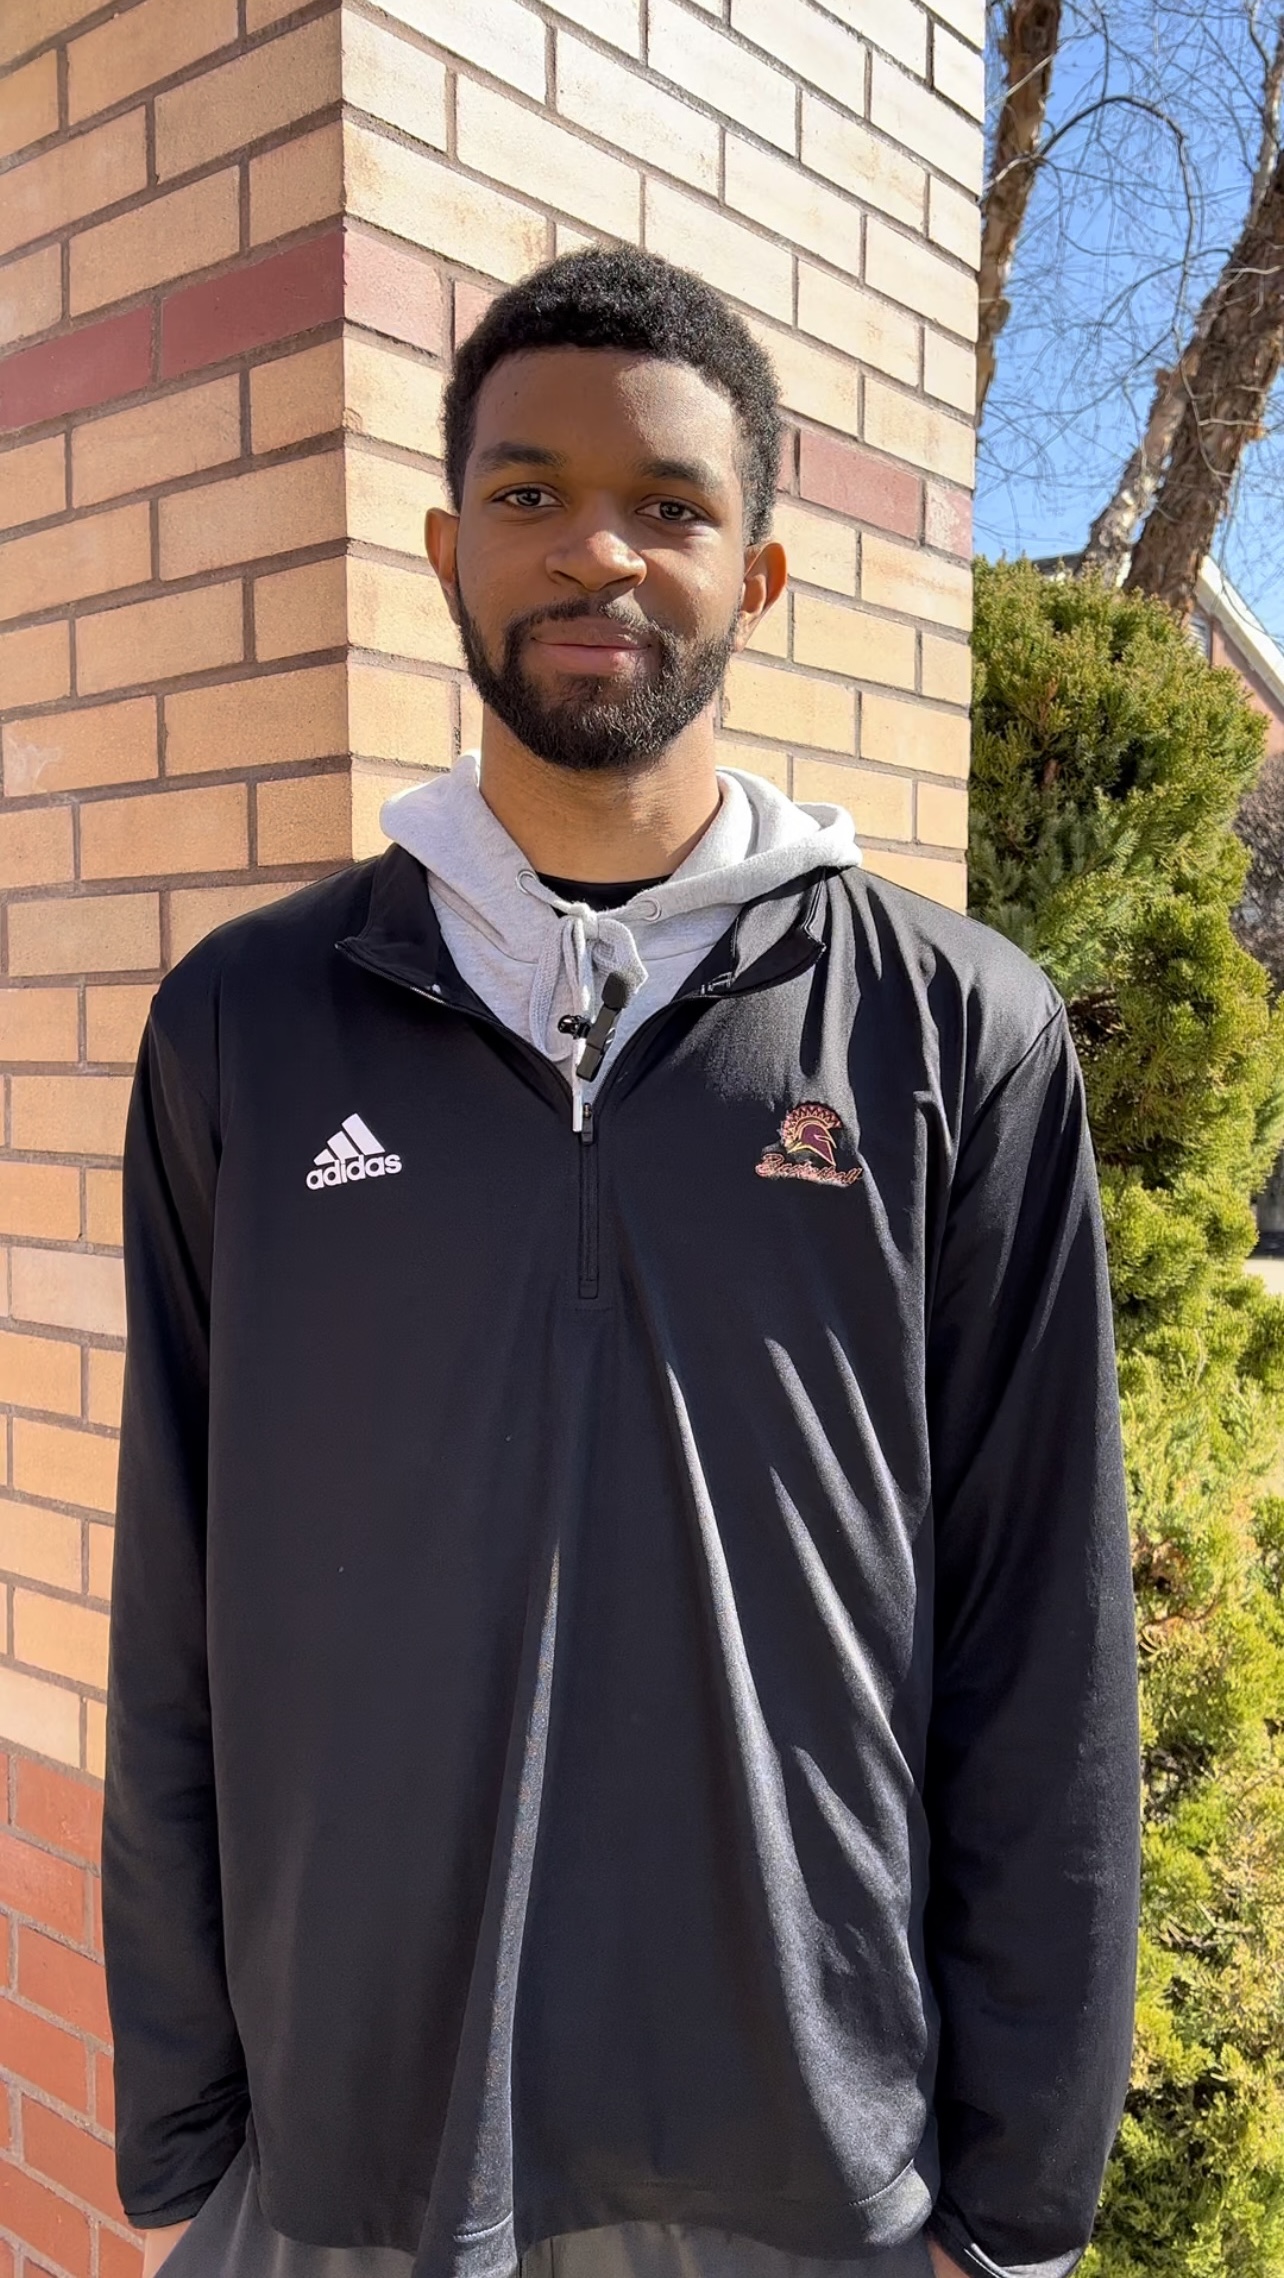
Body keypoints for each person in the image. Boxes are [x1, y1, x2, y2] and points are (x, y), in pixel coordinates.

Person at [103, 247, 1141, 2278]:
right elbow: (173, 1584)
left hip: (809, 2161)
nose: (596, 547)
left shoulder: (956, 1032)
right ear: (444, 546)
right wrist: (187, 2123)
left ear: (756, 574)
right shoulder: (245, 1024)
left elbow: (1043, 1649)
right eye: (528, 492)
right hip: (349, 2156)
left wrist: (1019, 2196)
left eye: (669, 503)